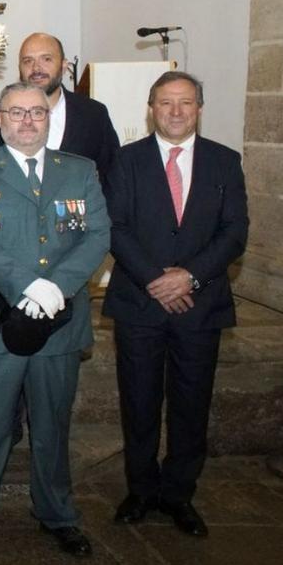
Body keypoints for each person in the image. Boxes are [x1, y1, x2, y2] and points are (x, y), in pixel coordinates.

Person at [0, 82, 109, 558]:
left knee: (53, 425)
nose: (28, 121)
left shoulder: (78, 171)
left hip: (59, 320)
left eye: (37, 113)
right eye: (16, 113)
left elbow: (97, 235)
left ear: (49, 118)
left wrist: (55, 287)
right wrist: (27, 286)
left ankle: (58, 514)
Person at [103, 71, 248, 537]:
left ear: (200, 108)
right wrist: (154, 279)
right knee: (140, 402)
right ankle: (141, 490)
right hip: (140, 305)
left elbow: (234, 232)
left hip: (199, 304)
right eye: (166, 103)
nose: (176, 111)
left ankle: (179, 493)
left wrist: (189, 276)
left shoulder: (226, 162)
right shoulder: (125, 161)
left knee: (191, 402)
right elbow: (115, 226)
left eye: (186, 102)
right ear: (151, 108)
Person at [0, 32, 118, 177]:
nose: (36, 68)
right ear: (19, 68)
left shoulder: (93, 114)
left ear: (64, 66)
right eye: (28, 61)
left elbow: (111, 175)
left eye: (46, 59)